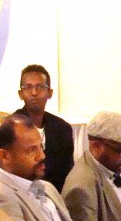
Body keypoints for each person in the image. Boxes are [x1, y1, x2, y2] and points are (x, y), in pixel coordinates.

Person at [9, 64, 74, 192]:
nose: (34, 93)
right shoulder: (9, 128)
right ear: (20, 94)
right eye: (28, 87)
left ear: (50, 93)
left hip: (54, 195)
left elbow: (67, 175)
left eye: (40, 87)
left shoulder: (62, 129)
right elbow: (0, 174)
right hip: (18, 195)